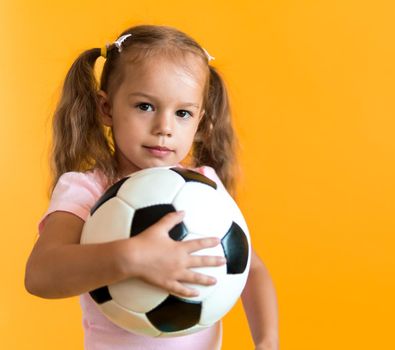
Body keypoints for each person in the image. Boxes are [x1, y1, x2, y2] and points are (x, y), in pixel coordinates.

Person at [24, 24, 279, 350]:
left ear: (199, 120)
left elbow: (251, 269)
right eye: (145, 106)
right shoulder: (87, 190)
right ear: (107, 108)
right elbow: (40, 275)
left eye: (183, 113)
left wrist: (267, 340)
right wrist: (130, 257)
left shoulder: (205, 189)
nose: (164, 128)